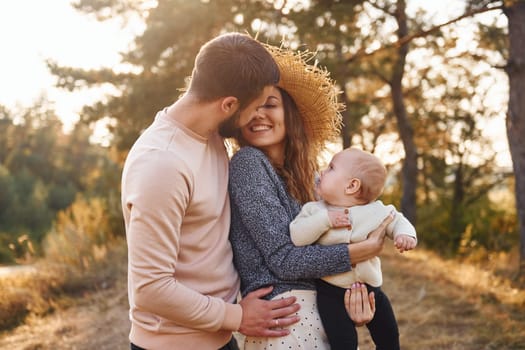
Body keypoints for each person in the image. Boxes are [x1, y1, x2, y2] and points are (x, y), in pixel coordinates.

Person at [121, 32, 308, 350]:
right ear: (229, 105)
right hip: (174, 344)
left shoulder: (210, 134)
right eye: (255, 106)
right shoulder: (162, 165)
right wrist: (236, 317)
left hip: (218, 336)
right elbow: (150, 288)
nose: (256, 116)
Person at [225, 44, 393, 350]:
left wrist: (355, 301)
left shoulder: (314, 179)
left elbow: (327, 249)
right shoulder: (248, 164)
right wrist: (361, 250)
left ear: (290, 112)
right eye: (251, 105)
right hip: (286, 319)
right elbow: (284, 261)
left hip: (322, 314)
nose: (258, 114)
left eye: (270, 104)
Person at [289, 147, 418, 350]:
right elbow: (297, 237)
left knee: (389, 334)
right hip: (331, 292)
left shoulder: (376, 210)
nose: (322, 171)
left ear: (351, 186)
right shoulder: (315, 210)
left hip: (371, 290)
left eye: (331, 168)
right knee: (343, 341)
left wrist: (405, 235)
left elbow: (398, 220)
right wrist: (325, 220)